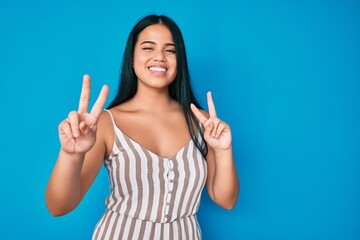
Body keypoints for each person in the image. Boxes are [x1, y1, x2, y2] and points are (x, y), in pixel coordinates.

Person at [45, 14, 239, 240]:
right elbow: (58, 207)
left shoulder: (202, 121)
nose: (160, 57)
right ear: (131, 57)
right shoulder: (107, 124)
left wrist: (224, 150)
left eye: (170, 50)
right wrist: (70, 154)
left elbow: (226, 200)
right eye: (148, 48)